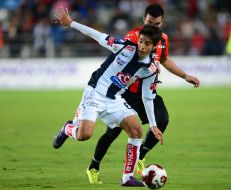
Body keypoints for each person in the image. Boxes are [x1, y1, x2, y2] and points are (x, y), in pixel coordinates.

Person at [86, 4, 200, 184]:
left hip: (148, 93)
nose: (153, 26)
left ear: (162, 22)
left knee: (162, 120)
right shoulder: (134, 36)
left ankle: (140, 156)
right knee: (112, 132)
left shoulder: (163, 40)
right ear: (143, 20)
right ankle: (94, 166)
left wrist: (185, 75)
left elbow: (164, 60)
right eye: (149, 22)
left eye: (157, 23)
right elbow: (123, 60)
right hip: (127, 94)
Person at [52, 8, 164, 187]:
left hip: (114, 99)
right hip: (95, 92)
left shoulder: (149, 69)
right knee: (84, 135)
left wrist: (153, 125)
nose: (142, 46)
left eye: (147, 43)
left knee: (136, 130)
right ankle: (67, 129)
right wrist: (71, 23)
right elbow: (98, 35)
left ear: (154, 46)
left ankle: (127, 178)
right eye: (141, 41)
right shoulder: (125, 47)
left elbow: (147, 97)